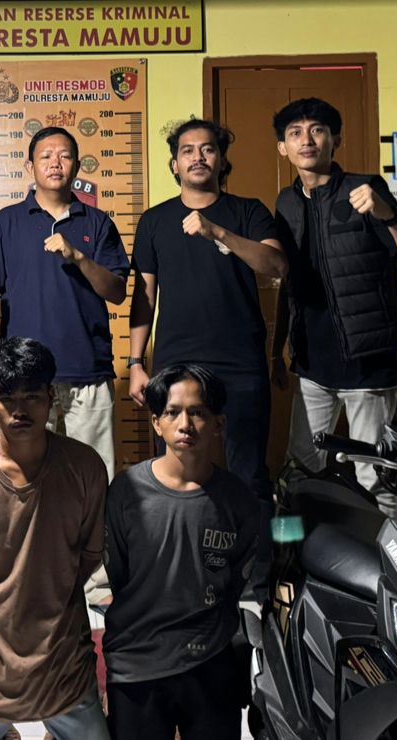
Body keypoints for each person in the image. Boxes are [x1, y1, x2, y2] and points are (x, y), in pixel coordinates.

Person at [0, 337, 110, 740]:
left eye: (32, 396)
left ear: (51, 397)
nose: (20, 410)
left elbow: (90, 554)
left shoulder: (85, 469)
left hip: (62, 665)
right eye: (7, 398)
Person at [270, 98, 397, 513]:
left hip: (368, 361)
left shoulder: (367, 188)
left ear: (336, 139)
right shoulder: (286, 203)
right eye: (295, 133)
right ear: (283, 148)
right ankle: (307, 551)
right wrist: (277, 351)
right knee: (301, 469)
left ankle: (386, 557)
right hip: (312, 362)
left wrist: (387, 215)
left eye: (317, 130)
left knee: (374, 476)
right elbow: (289, 282)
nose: (307, 140)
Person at [128, 118, 285, 499]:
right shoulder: (154, 220)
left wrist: (217, 232)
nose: (198, 157)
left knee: (249, 471)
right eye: (188, 151)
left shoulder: (248, 212)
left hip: (241, 361)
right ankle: (180, 538)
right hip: (175, 361)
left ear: (221, 160)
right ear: (175, 165)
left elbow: (276, 265)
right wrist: (135, 363)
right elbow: (144, 296)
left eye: (208, 149)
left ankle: (252, 540)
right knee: (173, 467)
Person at [104, 364, 257, 739]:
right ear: (156, 423)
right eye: (172, 412)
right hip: (137, 663)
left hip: (211, 660)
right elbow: (119, 574)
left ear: (219, 423)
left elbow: (238, 580)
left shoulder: (238, 500)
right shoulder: (126, 492)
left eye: (197, 412)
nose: (185, 424)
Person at [0, 127, 130, 475]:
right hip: (23, 376)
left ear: (76, 166)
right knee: (26, 474)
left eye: (64, 156)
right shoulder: (7, 222)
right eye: (45, 156)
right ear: (30, 167)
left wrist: (78, 257)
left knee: (95, 475)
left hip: (87, 370)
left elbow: (117, 292)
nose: (55, 163)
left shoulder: (98, 223)